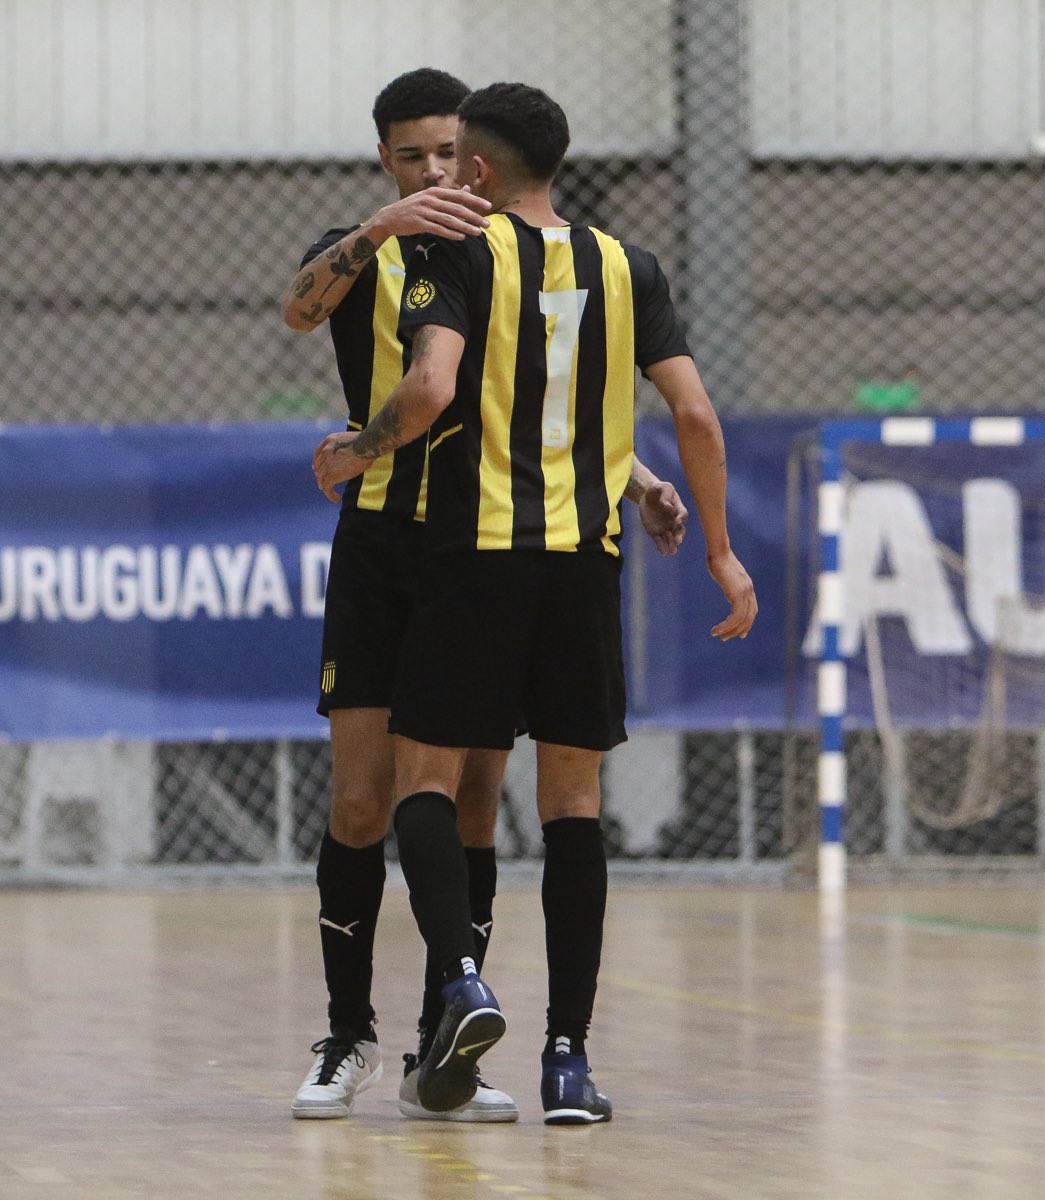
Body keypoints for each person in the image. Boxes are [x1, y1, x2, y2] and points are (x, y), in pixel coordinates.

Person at [313, 81, 756, 1124]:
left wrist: (355, 449)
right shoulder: (627, 266)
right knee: (573, 810)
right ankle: (570, 1060)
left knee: (424, 780)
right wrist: (722, 550)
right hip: (583, 565)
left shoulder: (456, 256)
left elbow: (426, 393)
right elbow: (693, 409)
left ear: (476, 167)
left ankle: (462, 984)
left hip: (475, 555)